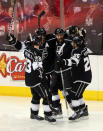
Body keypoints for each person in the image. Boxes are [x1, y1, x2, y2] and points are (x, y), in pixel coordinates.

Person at [6, 33, 56, 123]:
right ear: (37, 42)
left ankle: (34, 113)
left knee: (36, 96)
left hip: (28, 79)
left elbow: (20, 47)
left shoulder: (27, 50)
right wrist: (43, 78)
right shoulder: (37, 53)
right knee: (46, 96)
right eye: (40, 41)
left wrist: (12, 40)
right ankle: (48, 115)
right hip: (36, 79)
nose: (41, 43)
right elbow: (39, 68)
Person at [59, 35, 92, 121]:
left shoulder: (77, 51)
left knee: (74, 94)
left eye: (73, 42)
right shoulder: (83, 49)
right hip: (83, 77)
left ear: (77, 44)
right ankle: (83, 110)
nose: (72, 43)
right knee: (78, 94)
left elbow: (74, 61)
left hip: (83, 78)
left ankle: (77, 112)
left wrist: (63, 61)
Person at [50, 28, 73, 118]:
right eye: (58, 35)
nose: (59, 36)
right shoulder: (53, 43)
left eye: (61, 35)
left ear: (64, 34)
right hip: (56, 70)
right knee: (53, 88)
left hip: (65, 70)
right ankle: (57, 109)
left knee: (67, 90)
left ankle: (75, 107)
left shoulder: (68, 42)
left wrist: (64, 61)